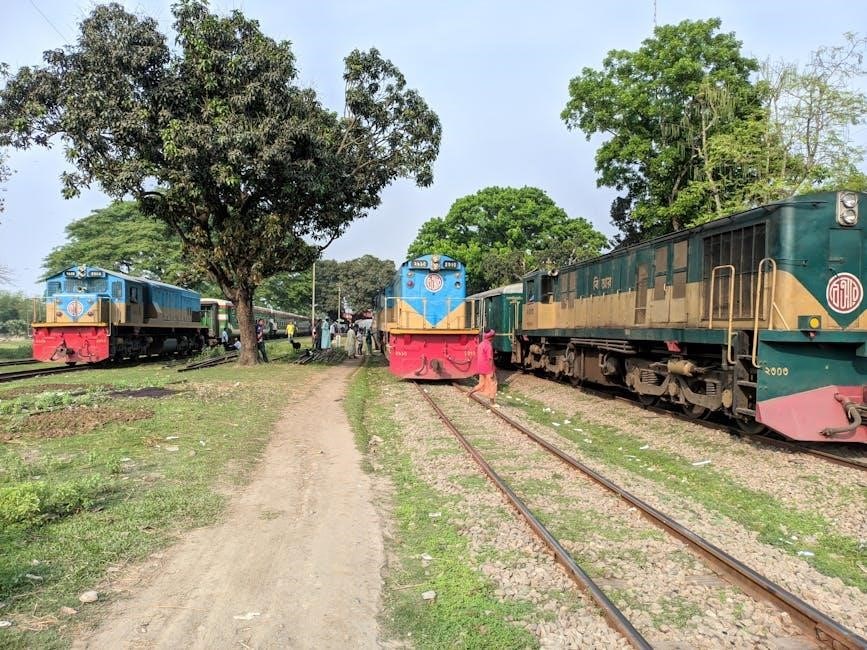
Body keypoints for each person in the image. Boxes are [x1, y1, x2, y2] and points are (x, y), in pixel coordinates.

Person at [468, 329, 497, 405]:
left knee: (481, 384)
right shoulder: (488, 346)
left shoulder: (481, 344)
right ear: (491, 337)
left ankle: (470, 392)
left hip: (481, 368)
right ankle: (492, 402)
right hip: (488, 368)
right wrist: (492, 371)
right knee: (493, 383)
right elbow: (490, 359)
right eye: (493, 336)